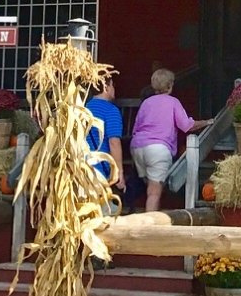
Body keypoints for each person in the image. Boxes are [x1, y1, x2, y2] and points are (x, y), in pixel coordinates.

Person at [128, 67, 207, 214]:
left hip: (138, 146)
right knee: (154, 192)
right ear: (170, 85)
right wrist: (206, 122)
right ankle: (149, 228)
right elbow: (186, 125)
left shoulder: (146, 103)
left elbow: (136, 128)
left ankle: (150, 218)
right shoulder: (173, 102)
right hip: (158, 148)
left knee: (150, 187)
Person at [84, 74, 124, 206]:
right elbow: (114, 142)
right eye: (112, 85)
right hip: (100, 168)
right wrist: (119, 172)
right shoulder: (111, 111)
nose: (114, 89)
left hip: (81, 166)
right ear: (106, 87)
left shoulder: (83, 109)